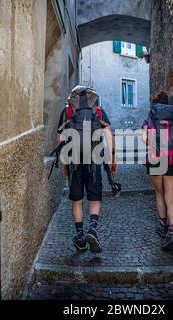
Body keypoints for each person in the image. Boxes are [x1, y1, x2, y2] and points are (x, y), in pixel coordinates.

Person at [56, 86, 116, 253]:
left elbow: (59, 137)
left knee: (77, 199)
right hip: (95, 159)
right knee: (95, 198)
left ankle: (80, 236)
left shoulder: (67, 111)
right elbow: (108, 135)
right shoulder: (98, 110)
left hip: (73, 160)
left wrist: (63, 162)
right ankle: (93, 229)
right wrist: (112, 159)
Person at [141, 91, 173, 251]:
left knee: (159, 194)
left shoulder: (150, 117)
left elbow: (145, 139)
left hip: (155, 159)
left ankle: (163, 226)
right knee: (171, 196)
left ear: (154, 104)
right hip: (172, 160)